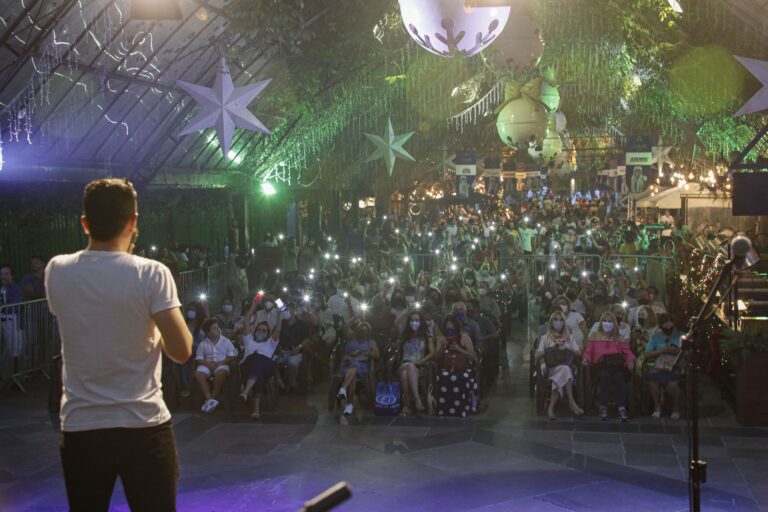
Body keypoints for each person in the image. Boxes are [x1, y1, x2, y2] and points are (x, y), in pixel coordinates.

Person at [45, 178, 192, 510]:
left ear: (85, 224)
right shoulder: (151, 274)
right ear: (134, 221)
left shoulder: (57, 271)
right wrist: (150, 327)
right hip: (143, 425)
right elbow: (181, 351)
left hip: (82, 427)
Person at [582, 312, 635, 422]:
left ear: (614, 323)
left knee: (619, 377)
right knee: (604, 376)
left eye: (610, 321)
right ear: (601, 323)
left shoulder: (619, 338)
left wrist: (630, 361)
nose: (607, 323)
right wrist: (585, 359)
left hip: (616, 367)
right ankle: (603, 407)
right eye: (605, 321)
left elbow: (629, 354)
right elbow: (588, 351)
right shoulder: (595, 336)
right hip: (600, 367)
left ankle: (621, 408)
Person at [535, 311, 583, 420]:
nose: (558, 322)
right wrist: (551, 349)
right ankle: (572, 402)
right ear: (551, 322)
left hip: (566, 367)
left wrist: (567, 348)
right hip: (550, 368)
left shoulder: (569, 337)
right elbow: (537, 355)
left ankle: (551, 408)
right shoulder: (545, 338)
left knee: (564, 370)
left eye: (561, 320)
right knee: (565, 370)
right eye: (555, 320)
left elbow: (578, 353)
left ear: (564, 322)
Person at [239, 302, 283, 420]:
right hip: (247, 367)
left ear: (268, 333)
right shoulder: (249, 340)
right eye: (259, 329)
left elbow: (278, 328)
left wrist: (279, 312)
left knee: (259, 360)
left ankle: (246, 391)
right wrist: (255, 303)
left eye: (264, 331)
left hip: (266, 366)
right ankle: (255, 410)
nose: (261, 332)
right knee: (258, 371)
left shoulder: (270, 342)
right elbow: (246, 320)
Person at [435, 314, 478, 417]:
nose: (450, 329)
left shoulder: (464, 337)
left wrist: (459, 349)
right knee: (443, 377)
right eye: (447, 327)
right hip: (446, 368)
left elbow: (473, 356)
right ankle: (445, 408)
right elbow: (436, 357)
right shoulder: (441, 338)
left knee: (462, 377)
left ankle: (462, 407)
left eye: (452, 327)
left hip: (463, 368)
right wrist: (442, 347)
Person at [644, 313, 683, 420]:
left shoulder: (681, 336)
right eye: (665, 323)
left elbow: (688, 352)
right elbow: (647, 354)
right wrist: (662, 350)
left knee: (672, 384)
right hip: (659, 366)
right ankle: (657, 407)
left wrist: (677, 351)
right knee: (652, 379)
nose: (668, 325)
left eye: (670, 322)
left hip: (675, 366)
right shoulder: (655, 337)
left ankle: (676, 408)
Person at [336, 321, 380, 416]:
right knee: (353, 374)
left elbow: (377, 354)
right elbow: (345, 328)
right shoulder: (351, 338)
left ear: (368, 332)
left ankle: (346, 394)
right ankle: (347, 400)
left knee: (355, 366)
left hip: (362, 365)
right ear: (357, 330)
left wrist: (364, 352)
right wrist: (353, 318)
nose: (362, 332)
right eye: (361, 330)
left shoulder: (370, 342)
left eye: (365, 330)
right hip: (347, 363)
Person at [194, 317, 237, 413]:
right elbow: (199, 359)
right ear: (208, 332)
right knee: (198, 374)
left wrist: (220, 363)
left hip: (221, 363)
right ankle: (209, 399)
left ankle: (212, 398)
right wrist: (208, 364)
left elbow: (231, 356)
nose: (217, 329)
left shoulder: (226, 341)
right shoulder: (203, 343)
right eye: (214, 328)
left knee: (221, 373)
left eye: (217, 327)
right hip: (207, 364)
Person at [397, 311, 435, 416]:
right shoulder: (405, 336)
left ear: (421, 322)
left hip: (419, 365)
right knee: (409, 365)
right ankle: (417, 399)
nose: (414, 322)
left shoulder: (427, 337)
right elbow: (397, 322)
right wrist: (407, 311)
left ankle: (407, 406)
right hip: (405, 363)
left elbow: (432, 352)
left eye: (417, 320)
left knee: (405, 374)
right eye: (412, 320)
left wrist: (422, 361)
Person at [275, 301, 311, 391]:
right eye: (287, 310)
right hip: (282, 351)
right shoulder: (281, 323)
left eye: (290, 310)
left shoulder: (301, 324)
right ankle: (280, 383)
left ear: (294, 311)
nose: (288, 312)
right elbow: (275, 336)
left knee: (293, 363)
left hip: (295, 352)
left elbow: (307, 338)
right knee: (272, 362)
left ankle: (292, 384)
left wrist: (299, 347)